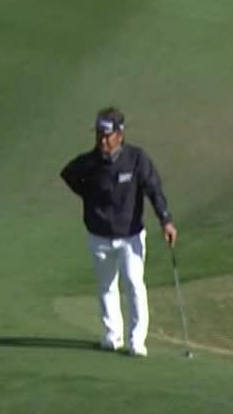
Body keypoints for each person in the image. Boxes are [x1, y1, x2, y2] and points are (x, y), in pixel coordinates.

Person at [58, 106, 176, 356]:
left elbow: (153, 188)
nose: (102, 140)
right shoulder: (89, 163)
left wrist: (165, 220)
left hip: (130, 235)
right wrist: (89, 197)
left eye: (107, 135)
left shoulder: (135, 159)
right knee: (106, 286)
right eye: (99, 134)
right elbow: (67, 174)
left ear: (120, 134)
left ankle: (136, 341)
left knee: (134, 284)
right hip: (99, 236)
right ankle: (112, 336)